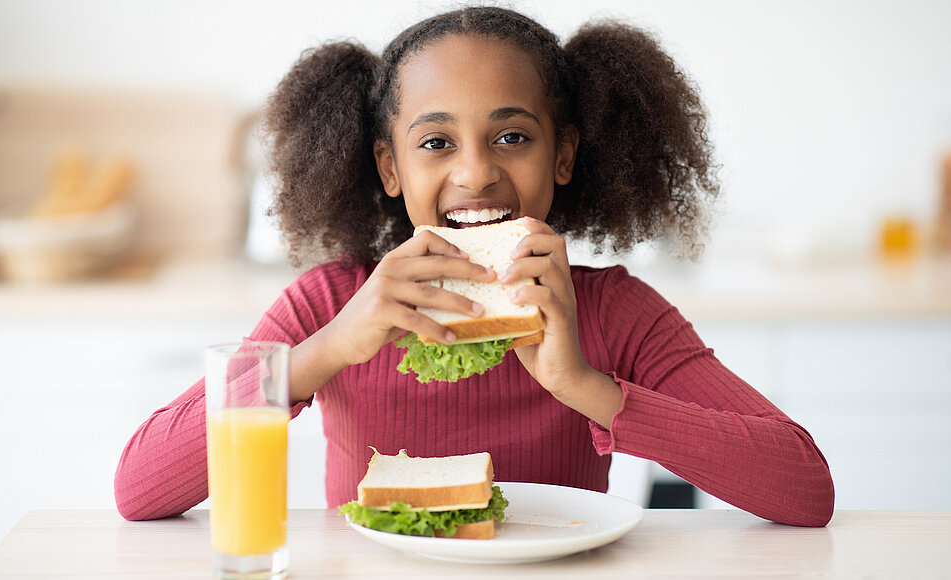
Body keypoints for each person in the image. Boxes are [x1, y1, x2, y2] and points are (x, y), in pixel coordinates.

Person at [115, 6, 834, 527]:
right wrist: (329, 348)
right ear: (389, 167)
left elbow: (804, 487)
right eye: (435, 143)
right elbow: (139, 487)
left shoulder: (616, 311)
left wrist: (580, 384)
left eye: (511, 136)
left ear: (564, 155)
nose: (477, 171)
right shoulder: (330, 301)